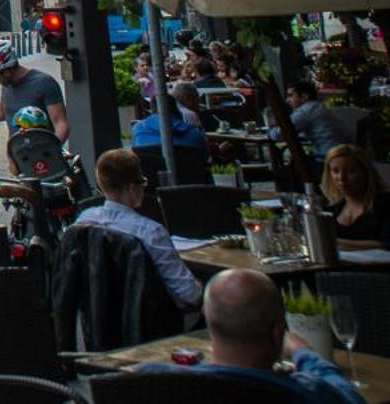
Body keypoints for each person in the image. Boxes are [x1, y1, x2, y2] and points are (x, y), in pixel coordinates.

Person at [138, 268, 366, 402]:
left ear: (207, 319)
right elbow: (349, 395)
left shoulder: (153, 381)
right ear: (277, 333)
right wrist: (303, 352)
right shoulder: (305, 390)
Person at [73, 148, 203, 311]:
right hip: (153, 322)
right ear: (131, 187)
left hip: (99, 319)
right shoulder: (150, 232)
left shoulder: (83, 222)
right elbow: (189, 294)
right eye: (142, 182)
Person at [321, 143, 390, 247]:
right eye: (335, 171)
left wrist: (333, 242)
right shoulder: (331, 209)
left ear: (366, 172)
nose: (341, 178)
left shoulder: (385, 203)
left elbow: (386, 244)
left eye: (351, 171)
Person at [274, 79, 351, 167]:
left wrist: (270, 132)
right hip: (345, 156)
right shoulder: (318, 107)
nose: (287, 100)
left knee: (290, 167)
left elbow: (280, 134)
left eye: (291, 95)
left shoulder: (305, 111)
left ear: (304, 97)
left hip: (328, 160)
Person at [131, 99, 209, 156]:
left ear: (152, 111)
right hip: (191, 178)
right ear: (177, 111)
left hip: (152, 177)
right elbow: (205, 158)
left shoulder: (138, 130)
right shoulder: (195, 133)